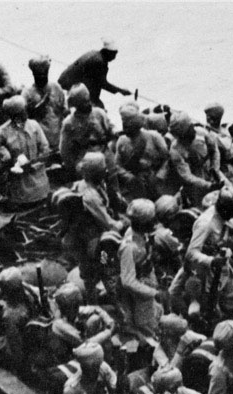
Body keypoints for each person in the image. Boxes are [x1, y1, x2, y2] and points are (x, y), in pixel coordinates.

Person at [169, 186, 233, 321]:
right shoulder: (206, 223)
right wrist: (211, 261)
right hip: (201, 269)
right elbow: (191, 253)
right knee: (177, 294)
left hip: (220, 266)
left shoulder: (226, 219)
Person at [63, 152, 125, 299]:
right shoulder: (90, 196)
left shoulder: (92, 184)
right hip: (92, 243)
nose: (107, 171)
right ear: (95, 173)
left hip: (88, 236)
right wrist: (125, 222)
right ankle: (107, 298)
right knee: (105, 267)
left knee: (92, 272)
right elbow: (110, 225)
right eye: (103, 170)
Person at [0, 95, 51, 207]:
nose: (26, 112)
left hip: (38, 176)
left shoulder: (34, 125)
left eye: (25, 109)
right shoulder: (3, 131)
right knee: (23, 206)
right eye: (22, 111)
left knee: (41, 203)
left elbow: (45, 147)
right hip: (19, 180)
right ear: (14, 115)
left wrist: (34, 164)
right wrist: (2, 165)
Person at [118, 199, 162, 333]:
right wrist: (155, 293)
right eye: (151, 220)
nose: (155, 223)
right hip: (136, 294)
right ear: (142, 223)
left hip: (146, 281)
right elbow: (128, 281)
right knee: (149, 327)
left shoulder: (142, 235)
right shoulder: (129, 247)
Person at [115, 102, 171, 201]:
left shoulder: (153, 137)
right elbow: (117, 165)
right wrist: (129, 177)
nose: (125, 128)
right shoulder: (122, 141)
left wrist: (159, 176)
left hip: (156, 179)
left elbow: (167, 158)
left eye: (128, 125)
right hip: (135, 183)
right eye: (124, 124)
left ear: (136, 124)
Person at [167, 111, 224, 207]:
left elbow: (214, 150)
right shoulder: (175, 150)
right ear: (182, 134)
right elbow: (187, 176)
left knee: (230, 190)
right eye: (189, 129)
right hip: (196, 179)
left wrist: (215, 168)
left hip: (211, 169)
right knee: (202, 205)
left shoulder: (201, 132)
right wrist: (208, 185)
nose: (193, 130)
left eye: (192, 127)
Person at [59, 83, 116, 175]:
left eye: (88, 101)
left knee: (113, 178)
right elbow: (64, 150)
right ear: (77, 105)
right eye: (84, 103)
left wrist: (114, 133)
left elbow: (111, 129)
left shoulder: (99, 113)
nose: (88, 104)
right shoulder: (69, 123)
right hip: (85, 158)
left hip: (105, 153)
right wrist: (73, 167)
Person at [57, 39, 131, 109]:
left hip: (65, 80)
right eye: (114, 54)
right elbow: (103, 84)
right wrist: (121, 91)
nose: (114, 57)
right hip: (71, 85)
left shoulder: (93, 53)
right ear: (107, 52)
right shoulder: (99, 62)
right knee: (99, 107)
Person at [22, 55, 68, 153]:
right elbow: (22, 119)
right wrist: (37, 108)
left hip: (58, 141)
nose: (42, 77)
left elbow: (65, 110)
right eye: (39, 74)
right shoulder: (27, 93)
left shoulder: (56, 88)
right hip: (39, 144)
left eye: (45, 74)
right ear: (34, 74)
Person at [203, 102, 233, 189]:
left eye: (210, 116)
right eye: (207, 116)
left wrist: (211, 134)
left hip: (226, 172)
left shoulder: (225, 132)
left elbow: (225, 146)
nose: (208, 119)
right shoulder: (208, 131)